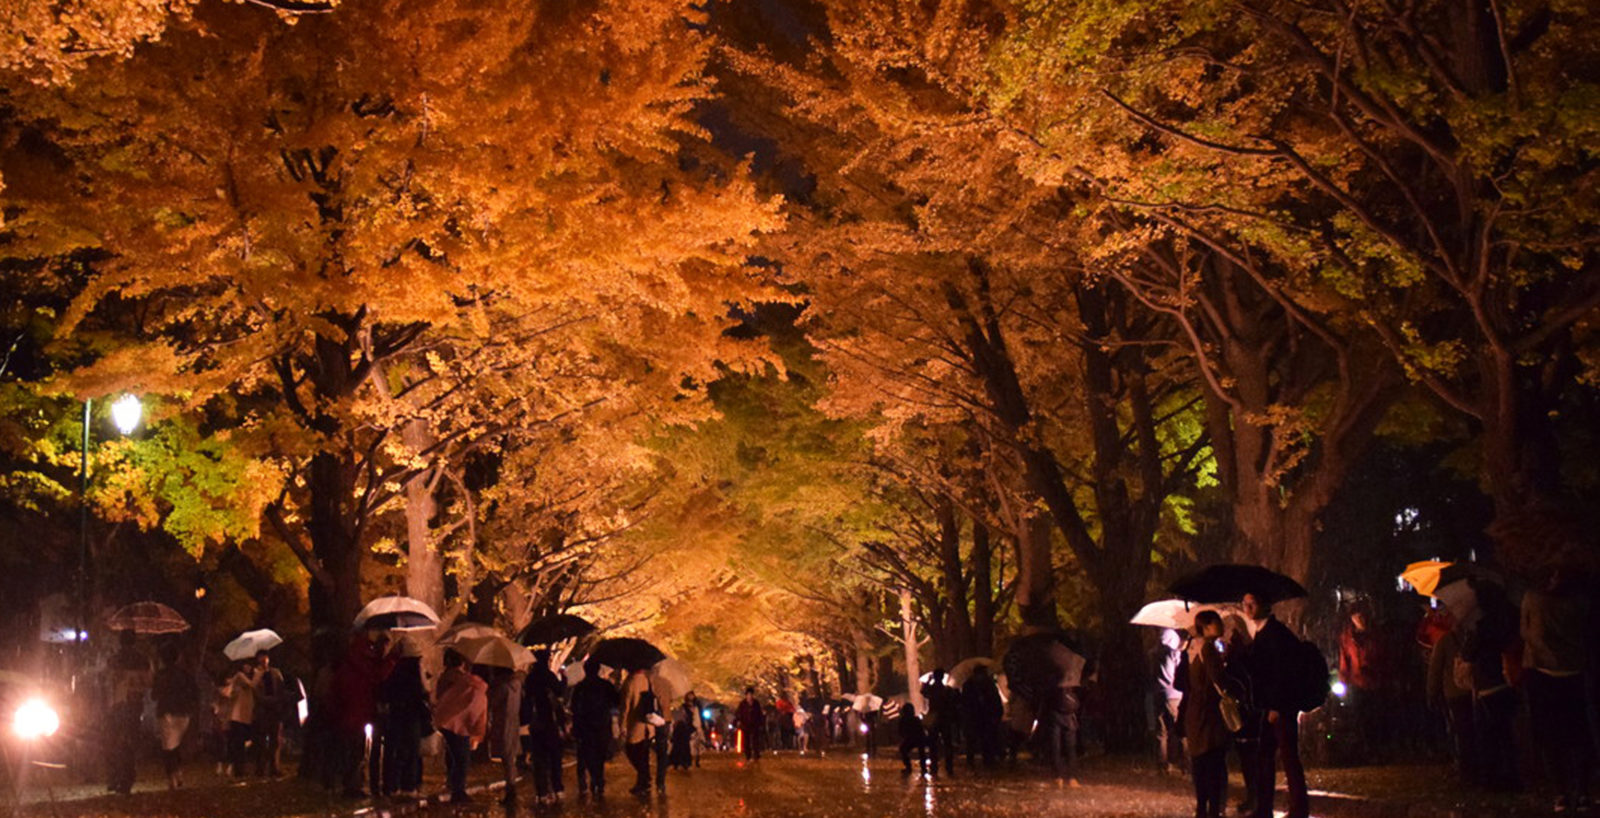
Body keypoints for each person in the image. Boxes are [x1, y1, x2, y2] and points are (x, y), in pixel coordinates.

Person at [1520, 564, 1591, 811]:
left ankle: (1562, 791)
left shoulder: (1533, 598)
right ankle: (1580, 790)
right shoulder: (1581, 602)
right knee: (1578, 735)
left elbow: (1526, 632)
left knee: (1552, 738)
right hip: (1573, 671)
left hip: (1544, 674)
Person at [1241, 592, 1307, 818]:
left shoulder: (1274, 633)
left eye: (1252, 603)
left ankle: (1298, 809)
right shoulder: (1262, 633)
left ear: (1264, 605)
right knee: (1266, 756)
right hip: (1270, 704)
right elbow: (1260, 669)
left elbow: (1281, 672)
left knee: (1287, 757)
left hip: (1280, 706)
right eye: (1245, 604)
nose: (1247, 608)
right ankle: (1264, 807)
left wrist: (1276, 707)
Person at [1461, 578, 1521, 792]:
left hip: (1488, 681)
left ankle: (1496, 779)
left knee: (1491, 734)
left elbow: (1469, 653)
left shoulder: (1482, 624)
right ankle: (1514, 775)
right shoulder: (1512, 615)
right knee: (1508, 732)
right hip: (1512, 678)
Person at [331, 626, 396, 798]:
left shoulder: (346, 664)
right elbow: (377, 676)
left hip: (347, 713)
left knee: (352, 750)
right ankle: (353, 786)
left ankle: (350, 783)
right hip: (360, 711)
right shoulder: (364, 662)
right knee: (356, 751)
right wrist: (391, 660)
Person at [1178, 610, 1231, 818]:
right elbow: (1219, 680)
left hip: (1194, 710)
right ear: (1207, 626)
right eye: (1218, 623)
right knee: (1214, 762)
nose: (1222, 626)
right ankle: (1213, 809)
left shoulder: (1191, 646)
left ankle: (1202, 807)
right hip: (1210, 712)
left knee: (1200, 761)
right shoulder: (1208, 648)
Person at [377, 636, 429, 798]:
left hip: (396, 715)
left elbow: (385, 692)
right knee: (411, 752)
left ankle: (392, 785)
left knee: (396, 751)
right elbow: (422, 693)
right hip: (412, 716)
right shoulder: (415, 670)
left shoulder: (394, 670)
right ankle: (409, 785)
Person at [434, 649, 488, 803]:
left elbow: (440, 696)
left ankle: (453, 784)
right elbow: (472, 707)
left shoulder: (445, 677)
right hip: (459, 723)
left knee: (453, 755)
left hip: (445, 720)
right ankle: (458, 791)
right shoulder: (467, 682)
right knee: (462, 758)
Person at [105, 631, 153, 794]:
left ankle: (115, 777)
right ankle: (126, 778)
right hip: (134, 703)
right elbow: (148, 682)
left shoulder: (114, 660)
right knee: (130, 741)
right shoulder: (143, 660)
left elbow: (108, 682)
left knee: (113, 741)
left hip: (116, 703)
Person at [151, 643, 199, 790]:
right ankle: (177, 772)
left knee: (168, 746)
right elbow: (195, 694)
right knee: (176, 744)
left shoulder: (161, 675)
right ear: (177, 657)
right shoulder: (185, 674)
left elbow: (154, 696)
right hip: (183, 714)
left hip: (166, 713)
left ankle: (172, 776)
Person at [521, 649, 566, 803]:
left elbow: (526, 699)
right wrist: (564, 679)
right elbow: (560, 692)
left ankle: (541, 791)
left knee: (539, 758)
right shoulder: (549, 676)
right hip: (549, 722)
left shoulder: (530, 678)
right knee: (554, 757)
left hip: (535, 723)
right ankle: (557, 788)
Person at [570, 657, 619, 797]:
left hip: (584, 726)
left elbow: (574, 707)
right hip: (602, 725)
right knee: (599, 755)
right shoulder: (606, 685)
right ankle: (598, 781)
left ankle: (587, 782)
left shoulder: (580, 687)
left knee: (585, 754)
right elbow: (616, 701)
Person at [487, 666, 526, 806]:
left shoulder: (502, 687)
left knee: (507, 759)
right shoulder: (517, 685)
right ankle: (511, 789)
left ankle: (511, 791)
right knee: (510, 758)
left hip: (502, 723)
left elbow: (492, 702)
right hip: (513, 722)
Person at [1152, 628, 1186, 775]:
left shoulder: (1154, 654)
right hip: (1174, 694)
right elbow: (1179, 673)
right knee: (1182, 729)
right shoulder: (1174, 654)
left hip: (1159, 693)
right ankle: (1187, 764)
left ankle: (1163, 765)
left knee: (1162, 732)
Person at [218, 658, 257, 781]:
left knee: (242, 742)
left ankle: (239, 768)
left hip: (245, 715)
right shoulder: (239, 678)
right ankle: (238, 769)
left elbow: (251, 686)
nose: (248, 667)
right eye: (245, 665)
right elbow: (227, 694)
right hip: (237, 716)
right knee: (237, 743)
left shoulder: (246, 679)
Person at [621, 668, 658, 795]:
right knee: (644, 754)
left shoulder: (630, 682)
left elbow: (626, 705)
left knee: (632, 750)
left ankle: (644, 778)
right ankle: (643, 781)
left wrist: (622, 725)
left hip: (635, 723)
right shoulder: (647, 680)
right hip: (647, 724)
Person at [252, 650, 288, 777]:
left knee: (275, 740)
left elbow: (281, 689)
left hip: (275, 710)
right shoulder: (256, 674)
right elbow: (255, 692)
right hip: (262, 710)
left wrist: (278, 701)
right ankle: (260, 768)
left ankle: (274, 766)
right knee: (261, 740)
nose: (263, 660)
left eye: (265, 657)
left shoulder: (275, 672)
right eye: (261, 657)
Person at [960, 665, 1004, 768]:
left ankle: (988, 760)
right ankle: (972, 761)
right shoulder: (969, 685)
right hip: (974, 716)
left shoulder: (989, 685)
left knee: (986, 740)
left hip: (986, 716)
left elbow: (995, 700)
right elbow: (965, 702)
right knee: (973, 740)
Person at [921, 669, 960, 776]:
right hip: (945, 718)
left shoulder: (932, 689)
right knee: (947, 742)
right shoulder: (946, 690)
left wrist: (928, 681)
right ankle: (949, 765)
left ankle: (934, 765)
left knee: (933, 743)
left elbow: (923, 692)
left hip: (934, 717)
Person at [895, 700, 929, 776]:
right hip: (916, 739)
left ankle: (910, 767)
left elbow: (901, 732)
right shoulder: (914, 719)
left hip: (916, 738)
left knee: (905, 749)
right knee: (918, 750)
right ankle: (921, 767)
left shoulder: (905, 720)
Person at [734, 686, 766, 761]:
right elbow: (739, 713)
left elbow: (759, 714)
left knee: (755, 740)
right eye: (748, 695)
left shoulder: (756, 703)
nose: (750, 696)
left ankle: (756, 754)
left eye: (751, 694)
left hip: (755, 724)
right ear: (746, 695)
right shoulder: (742, 704)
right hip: (745, 725)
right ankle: (748, 755)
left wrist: (761, 723)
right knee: (746, 741)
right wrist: (739, 721)